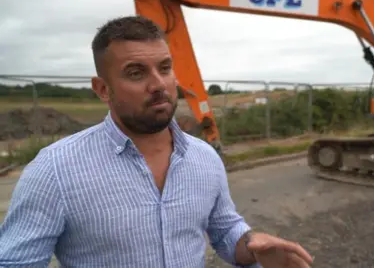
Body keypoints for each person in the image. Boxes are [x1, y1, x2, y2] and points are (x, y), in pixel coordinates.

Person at [0, 16, 313, 268]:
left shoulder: (204, 158)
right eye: (136, 73)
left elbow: (226, 229)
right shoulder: (55, 170)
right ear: (102, 89)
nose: (159, 84)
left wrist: (254, 249)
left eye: (165, 68)